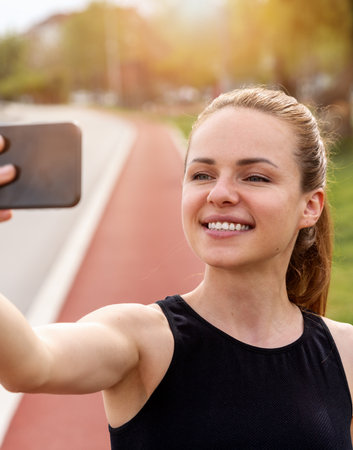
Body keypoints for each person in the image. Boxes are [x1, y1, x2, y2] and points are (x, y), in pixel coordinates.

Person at [0, 87, 352, 449]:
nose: (220, 193)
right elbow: (30, 363)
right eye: (202, 174)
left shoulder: (346, 353)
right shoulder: (141, 339)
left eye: (255, 177)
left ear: (311, 206)